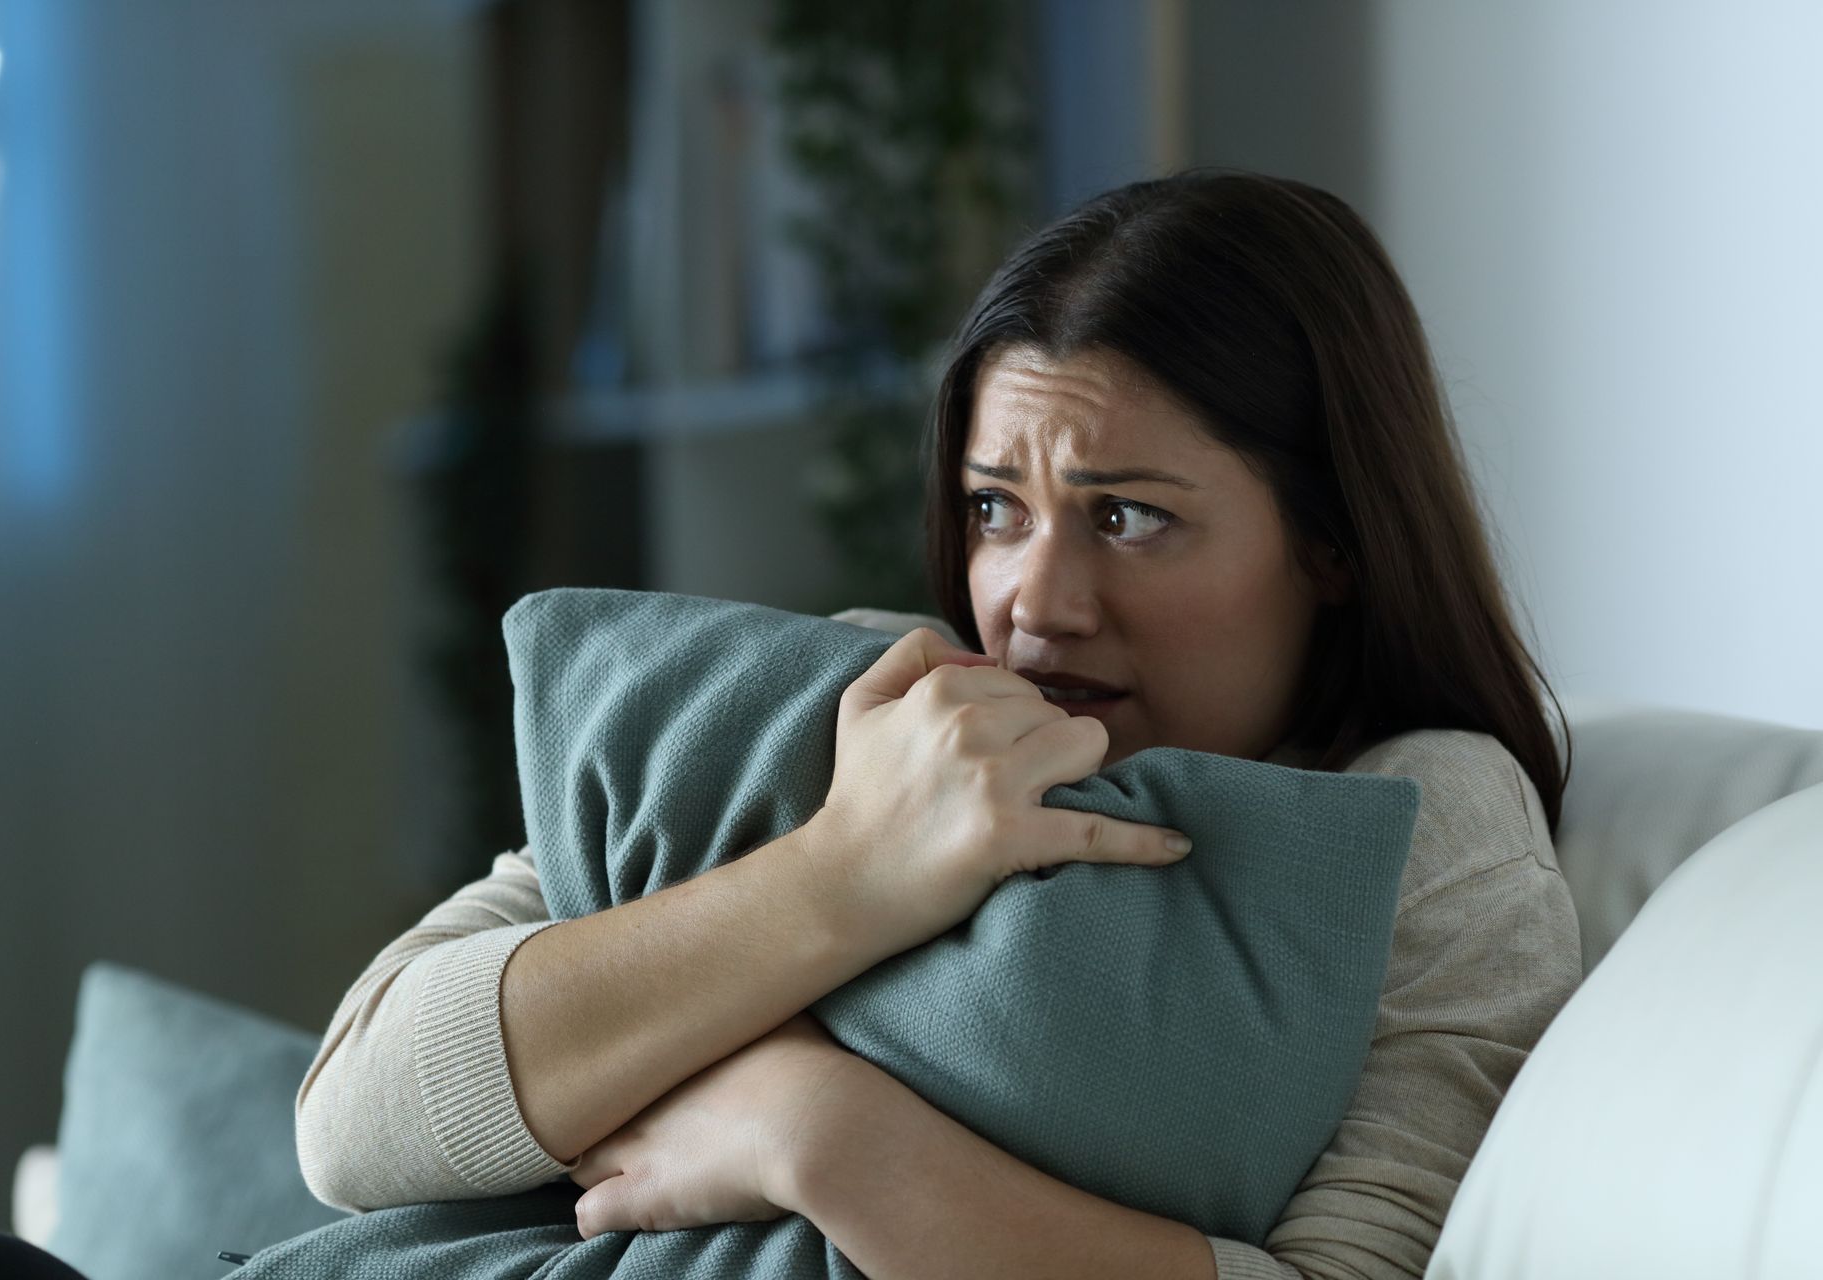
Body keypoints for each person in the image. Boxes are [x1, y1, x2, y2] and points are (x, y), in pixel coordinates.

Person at [291, 167, 1585, 1280]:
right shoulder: (873, 705)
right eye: (992, 512)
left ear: (1334, 542)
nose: (1036, 602)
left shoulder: (1433, 823)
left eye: (1128, 515)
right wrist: (844, 871)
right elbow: (354, 1121)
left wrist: (813, 1132)